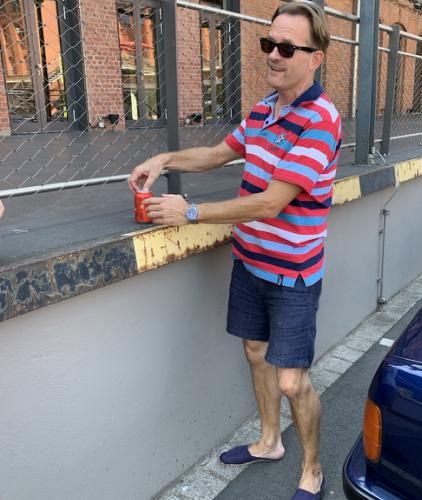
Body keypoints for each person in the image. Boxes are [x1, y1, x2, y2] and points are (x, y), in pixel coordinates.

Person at [128, 2, 341, 498]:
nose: (273, 54)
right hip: (250, 262)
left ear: (315, 57)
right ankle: (269, 442)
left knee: (292, 382)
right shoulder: (266, 109)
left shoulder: (320, 120)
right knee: (255, 353)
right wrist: (164, 158)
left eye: (286, 47)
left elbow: (271, 202)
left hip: (292, 275)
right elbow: (218, 154)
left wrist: (191, 213)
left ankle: (312, 469)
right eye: (269, 43)